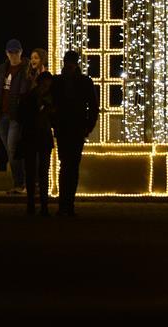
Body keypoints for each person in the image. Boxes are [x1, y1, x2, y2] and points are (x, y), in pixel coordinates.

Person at [51, 50, 98, 216]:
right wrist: (88, 126)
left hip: (69, 128)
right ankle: (67, 205)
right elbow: (93, 106)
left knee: (67, 166)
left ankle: (65, 205)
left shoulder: (58, 81)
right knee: (70, 167)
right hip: (75, 128)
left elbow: (92, 107)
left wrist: (54, 122)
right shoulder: (84, 81)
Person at [0, 39, 29, 194]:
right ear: (7, 53)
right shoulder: (2, 69)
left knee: (12, 148)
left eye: (16, 52)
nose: (14, 55)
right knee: (11, 150)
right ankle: (21, 183)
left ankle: (21, 183)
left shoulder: (25, 69)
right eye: (11, 52)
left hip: (16, 116)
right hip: (3, 115)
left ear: (21, 52)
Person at [17, 70, 55, 216]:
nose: (46, 88)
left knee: (39, 172)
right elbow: (22, 116)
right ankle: (35, 205)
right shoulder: (32, 98)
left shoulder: (32, 97)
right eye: (45, 85)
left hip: (38, 137)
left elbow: (20, 116)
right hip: (36, 136)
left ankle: (38, 205)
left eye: (48, 86)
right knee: (35, 172)